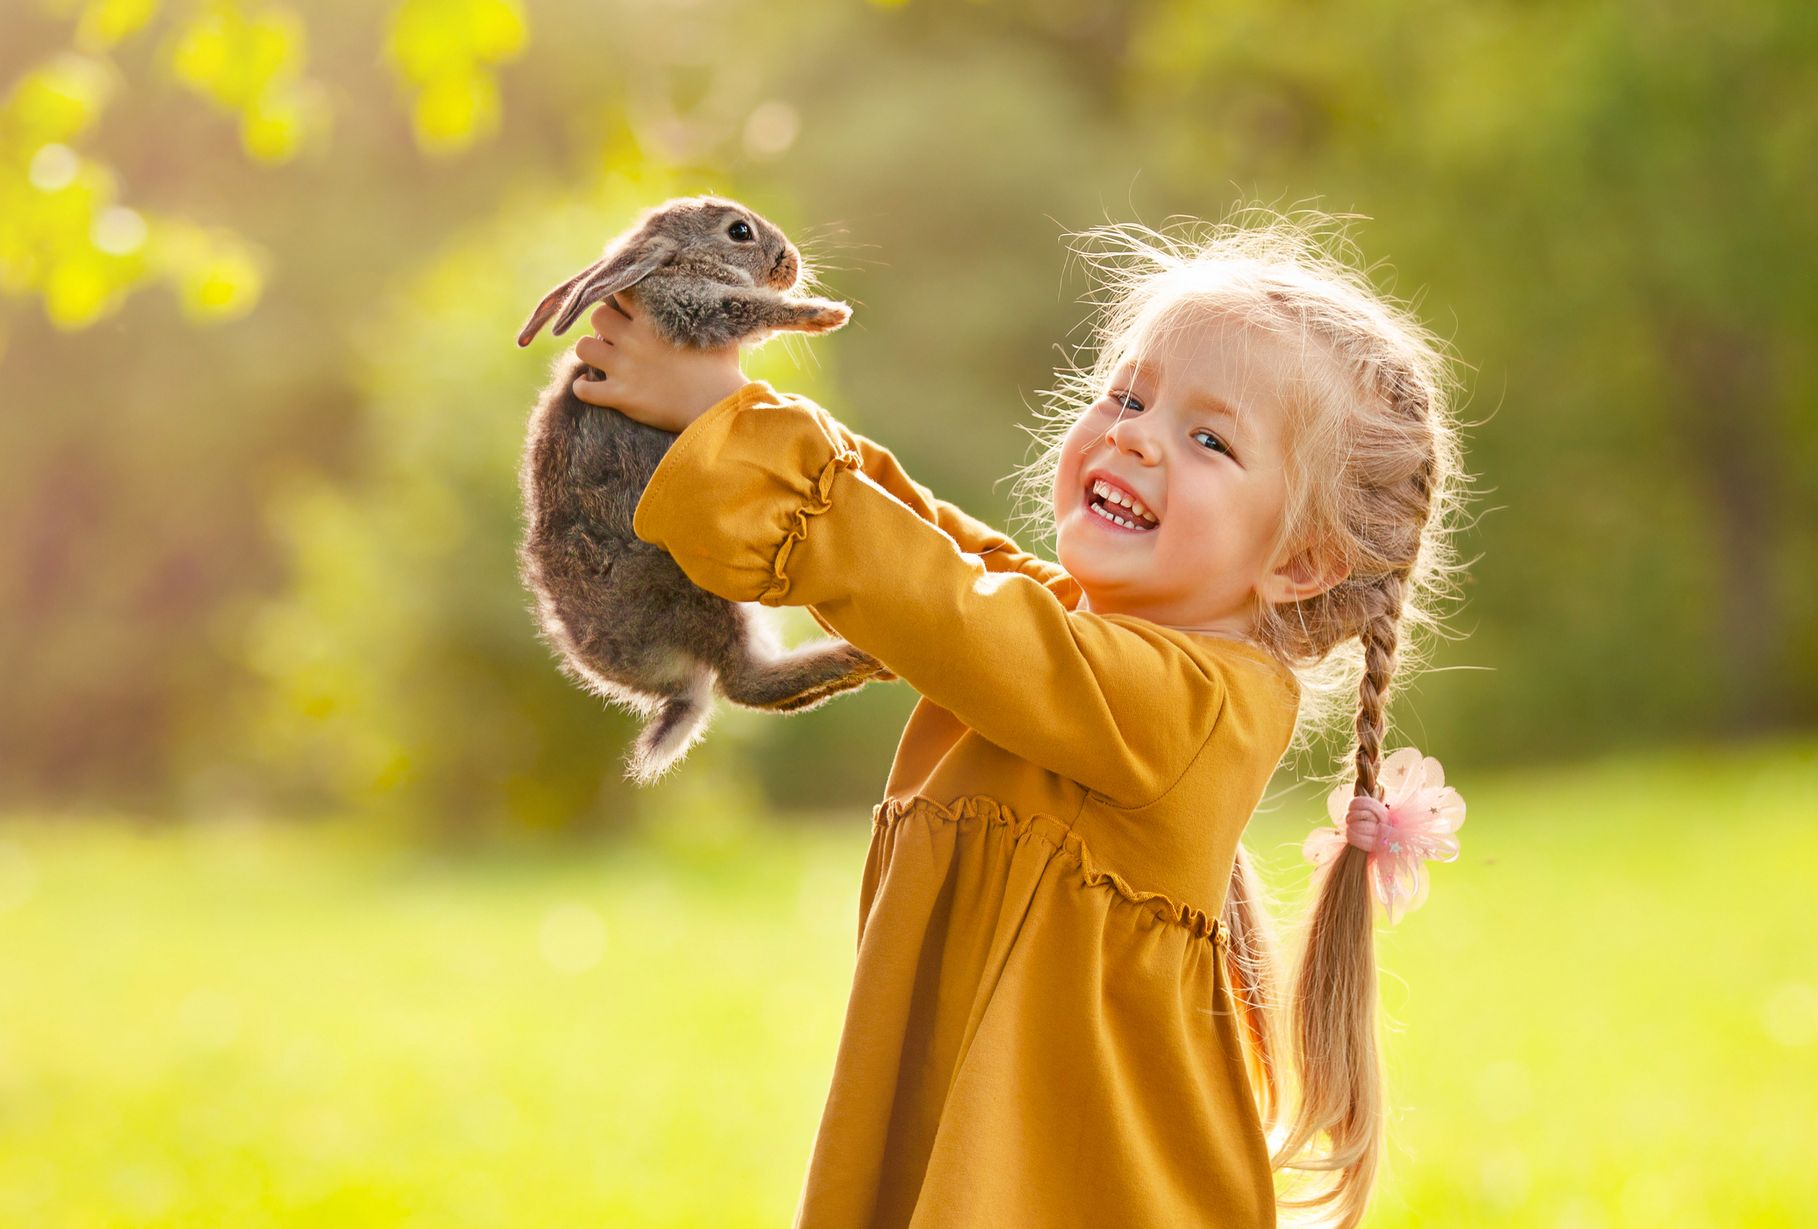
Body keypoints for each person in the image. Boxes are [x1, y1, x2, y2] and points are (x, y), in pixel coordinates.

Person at [569, 213, 1475, 1228]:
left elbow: (940, 600)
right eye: (1124, 395)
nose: (1131, 431)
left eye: (1207, 438)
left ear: (1300, 561)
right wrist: (728, 408)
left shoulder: (1196, 706)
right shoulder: (1066, 645)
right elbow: (936, 551)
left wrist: (728, 424)